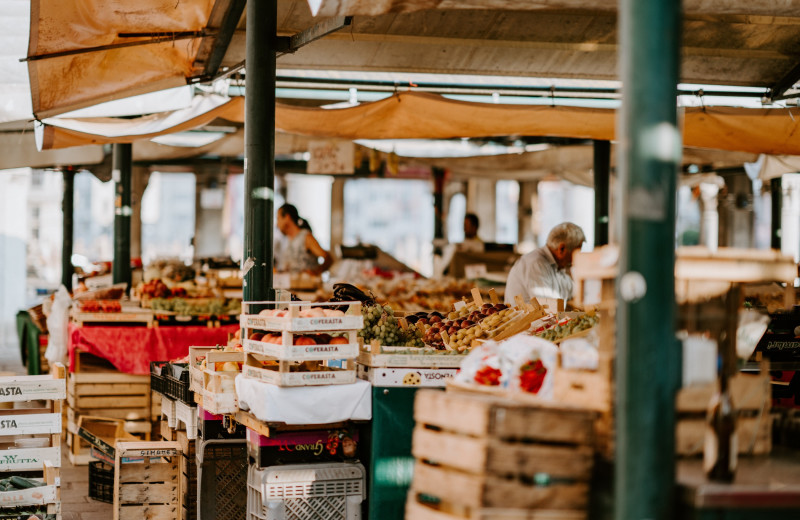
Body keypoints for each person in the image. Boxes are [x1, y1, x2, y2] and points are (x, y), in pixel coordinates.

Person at [504, 222, 586, 305]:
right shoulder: (536, 264)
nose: (577, 258)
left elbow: (574, 291)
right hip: (527, 318)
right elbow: (549, 308)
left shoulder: (558, 266)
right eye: (577, 252)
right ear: (562, 249)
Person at [275, 204, 333, 275]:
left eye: (278, 218)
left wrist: (316, 271)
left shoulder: (306, 237)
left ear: (287, 217)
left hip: (306, 285)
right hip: (291, 285)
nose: (277, 224)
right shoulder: (286, 240)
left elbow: (328, 258)